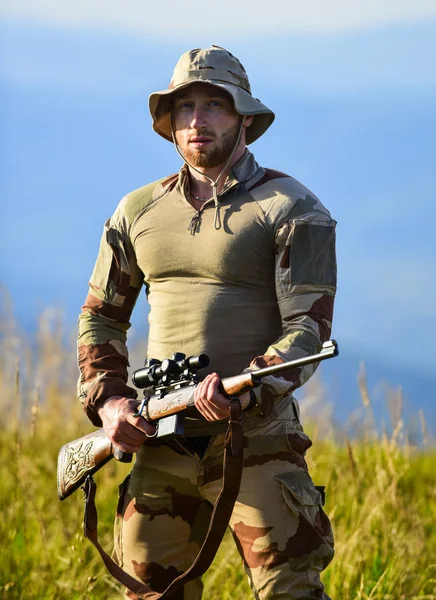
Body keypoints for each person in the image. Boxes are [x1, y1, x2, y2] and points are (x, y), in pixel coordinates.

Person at [78, 46, 337, 600]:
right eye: (185, 107)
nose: (197, 121)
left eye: (214, 106)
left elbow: (308, 331)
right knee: (148, 593)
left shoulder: (293, 207)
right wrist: (111, 403)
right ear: (168, 121)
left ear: (244, 116)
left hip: (258, 440)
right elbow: (100, 320)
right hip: (159, 442)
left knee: (288, 591)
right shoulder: (136, 210)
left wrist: (248, 389)